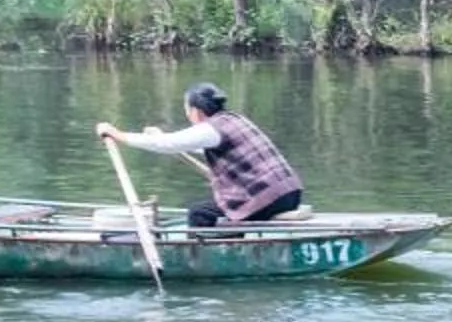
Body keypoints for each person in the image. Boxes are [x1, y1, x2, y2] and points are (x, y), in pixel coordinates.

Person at [94, 82, 303, 227]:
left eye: (187, 109)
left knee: (199, 213)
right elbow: (186, 143)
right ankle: (230, 240)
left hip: (267, 199)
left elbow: (167, 144)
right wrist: (165, 137)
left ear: (195, 110)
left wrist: (117, 135)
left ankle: (210, 255)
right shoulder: (235, 120)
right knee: (218, 211)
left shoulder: (209, 129)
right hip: (290, 193)